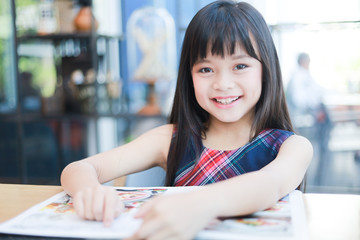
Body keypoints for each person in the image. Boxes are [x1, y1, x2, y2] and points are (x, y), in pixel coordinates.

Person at [61, 1, 313, 239]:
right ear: (188, 76)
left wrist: (202, 204)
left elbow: (269, 184)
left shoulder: (291, 147)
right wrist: (89, 191)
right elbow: (79, 168)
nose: (222, 84)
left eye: (240, 66)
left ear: (266, 70)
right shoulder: (171, 139)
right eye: (205, 69)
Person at [286, 53, 331, 184]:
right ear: (303, 61)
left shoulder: (305, 75)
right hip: (304, 116)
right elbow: (300, 99)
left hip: (309, 113)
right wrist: (313, 108)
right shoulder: (299, 76)